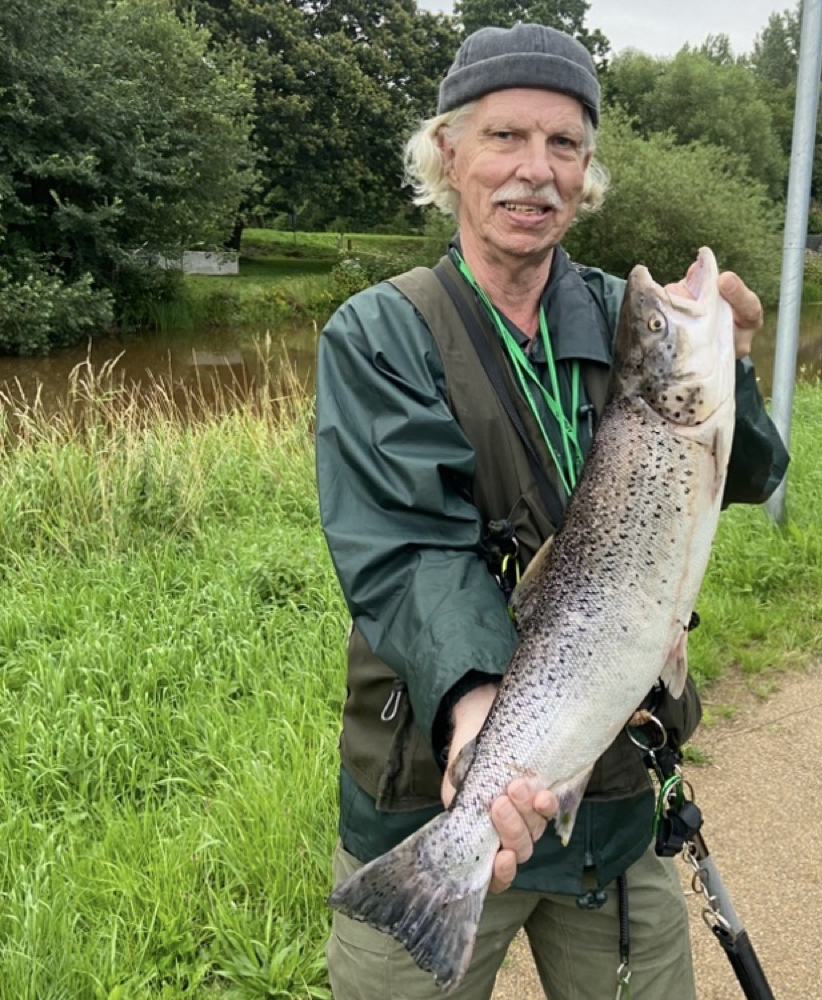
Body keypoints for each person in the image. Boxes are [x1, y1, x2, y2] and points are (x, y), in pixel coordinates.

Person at [316, 22, 789, 1000]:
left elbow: (744, 475)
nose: (536, 169)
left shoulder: (631, 319)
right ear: (448, 154)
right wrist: (476, 720)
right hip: (435, 789)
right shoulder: (379, 333)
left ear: (586, 171)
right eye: (505, 136)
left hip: (609, 796)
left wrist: (732, 367)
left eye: (564, 143)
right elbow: (410, 554)